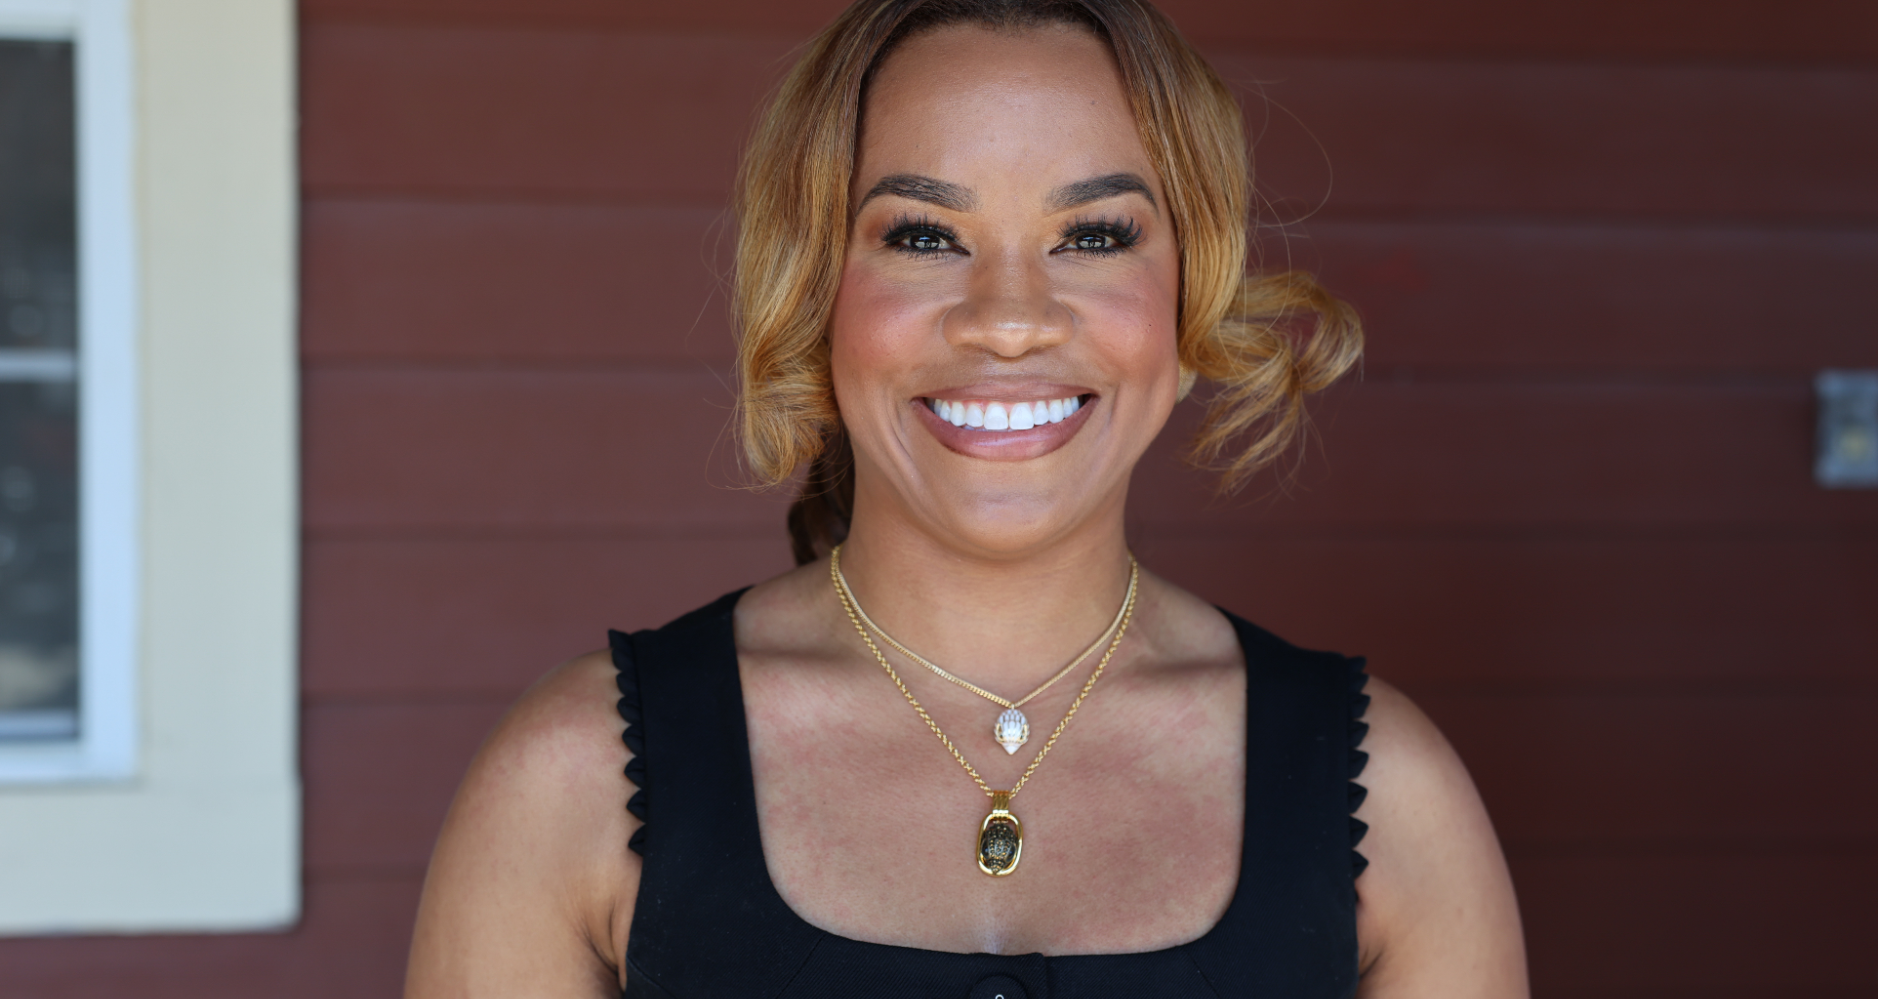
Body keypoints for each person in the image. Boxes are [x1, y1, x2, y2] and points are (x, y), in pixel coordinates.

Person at [404, 1, 1527, 996]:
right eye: (924, 235)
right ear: (815, 296)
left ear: (1192, 304)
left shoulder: (1394, 800)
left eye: (1092, 234)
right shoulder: (570, 779)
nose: (1007, 316)